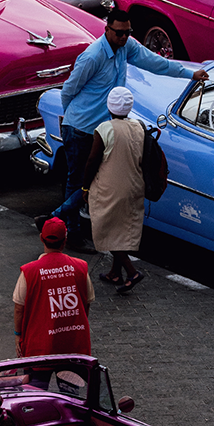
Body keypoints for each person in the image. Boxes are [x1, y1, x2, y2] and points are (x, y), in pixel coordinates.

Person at [56, 7, 208, 245]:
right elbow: (69, 91)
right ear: (107, 30)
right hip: (81, 128)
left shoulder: (127, 47)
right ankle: (69, 230)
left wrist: (189, 74)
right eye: (119, 33)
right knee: (80, 181)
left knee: (95, 180)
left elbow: (155, 63)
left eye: (128, 32)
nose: (124, 37)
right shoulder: (92, 56)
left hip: (104, 128)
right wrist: (71, 119)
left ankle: (57, 219)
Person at [81, 86, 145, 292]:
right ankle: (115, 274)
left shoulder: (104, 129)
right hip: (134, 185)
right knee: (123, 229)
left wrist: (85, 186)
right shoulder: (138, 126)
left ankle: (131, 271)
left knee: (106, 228)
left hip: (110, 188)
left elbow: (92, 160)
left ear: (109, 106)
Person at [13, 217, 94, 357]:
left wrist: (18, 335)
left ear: (41, 238)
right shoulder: (80, 267)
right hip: (74, 343)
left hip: (39, 345)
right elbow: (86, 303)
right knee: (71, 378)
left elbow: (19, 308)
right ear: (65, 240)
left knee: (37, 379)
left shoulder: (29, 271)